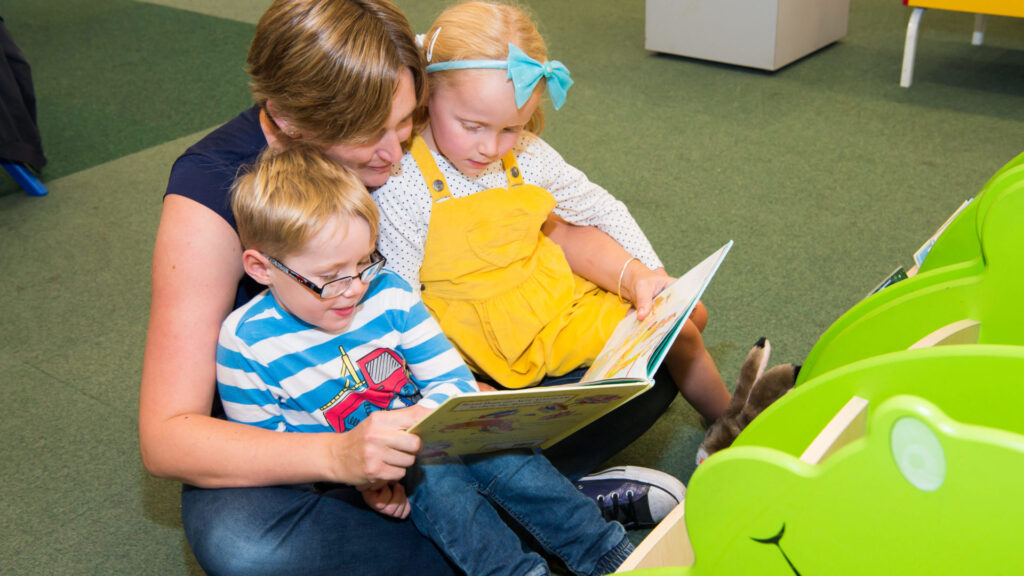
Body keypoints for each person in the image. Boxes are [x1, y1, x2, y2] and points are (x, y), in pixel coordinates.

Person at [138, 1, 681, 574]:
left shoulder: (403, 97)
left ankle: (511, 509)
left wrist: (639, 286)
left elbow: (547, 214)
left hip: (433, 389)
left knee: (656, 361)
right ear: (290, 121)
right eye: (369, 137)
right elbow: (168, 437)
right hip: (303, 435)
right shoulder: (209, 193)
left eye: (407, 123)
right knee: (245, 547)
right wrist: (340, 456)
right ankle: (530, 518)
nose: (397, 155)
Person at [219, 145, 634, 576]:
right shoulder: (245, 343)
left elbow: (451, 381)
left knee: (503, 450)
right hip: (352, 480)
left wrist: (423, 420)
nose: (354, 288)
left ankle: (608, 555)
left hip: (430, 435)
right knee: (435, 480)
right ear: (262, 268)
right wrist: (360, 476)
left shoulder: (389, 293)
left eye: (364, 262)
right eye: (329, 277)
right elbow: (271, 452)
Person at [372, 2, 732, 423]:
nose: (491, 147)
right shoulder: (401, 178)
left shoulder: (527, 155)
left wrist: (649, 275)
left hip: (551, 304)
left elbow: (599, 207)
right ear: (427, 96)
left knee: (681, 328)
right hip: (472, 336)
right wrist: (451, 378)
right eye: (472, 126)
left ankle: (733, 422)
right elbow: (401, 297)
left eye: (511, 128)